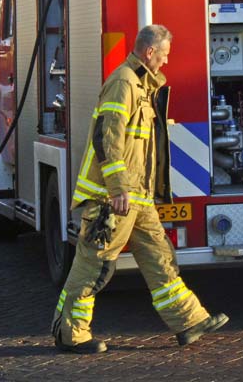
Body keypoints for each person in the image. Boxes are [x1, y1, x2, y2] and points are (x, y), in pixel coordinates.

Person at [51, 24, 228, 354]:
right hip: (114, 198)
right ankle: (70, 333)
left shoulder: (141, 85)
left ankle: (189, 321)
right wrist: (117, 188)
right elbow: (108, 138)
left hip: (137, 197)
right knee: (95, 264)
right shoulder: (124, 83)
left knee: (160, 257)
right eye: (163, 55)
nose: (165, 62)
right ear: (149, 52)